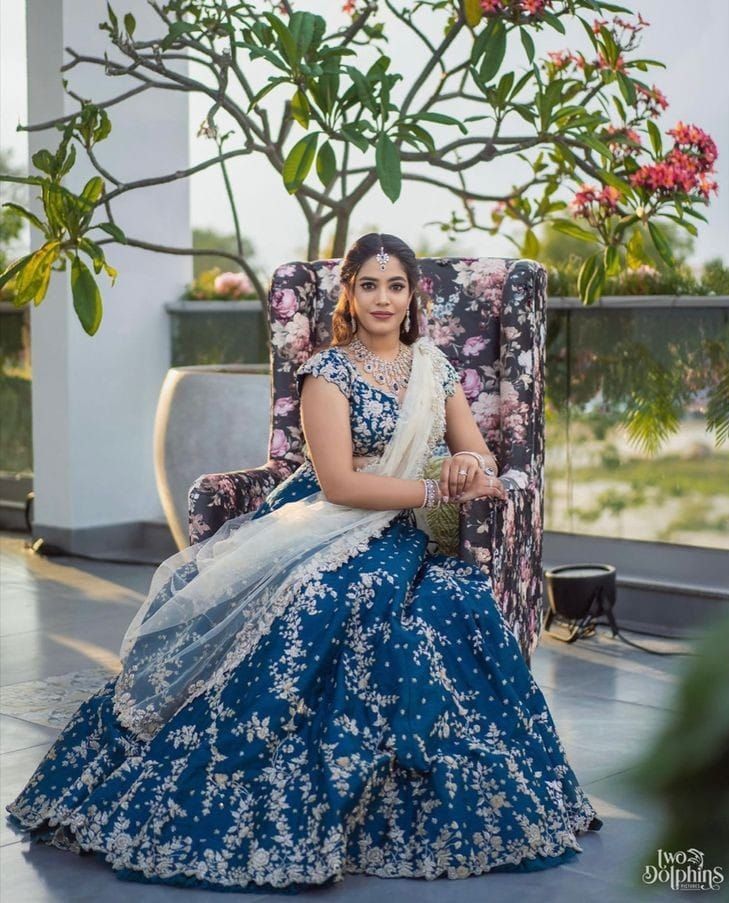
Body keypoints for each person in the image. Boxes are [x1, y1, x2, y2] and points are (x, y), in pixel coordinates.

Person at [6, 232, 602, 892]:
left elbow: (480, 455)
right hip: (325, 522)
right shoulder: (327, 372)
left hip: (396, 532)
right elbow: (341, 485)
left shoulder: (434, 370)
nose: (383, 298)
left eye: (395, 286)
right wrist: (437, 488)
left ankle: (396, 785)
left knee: (439, 597)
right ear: (349, 294)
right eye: (369, 285)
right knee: (329, 596)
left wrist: (472, 462)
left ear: (411, 298)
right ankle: (260, 765)